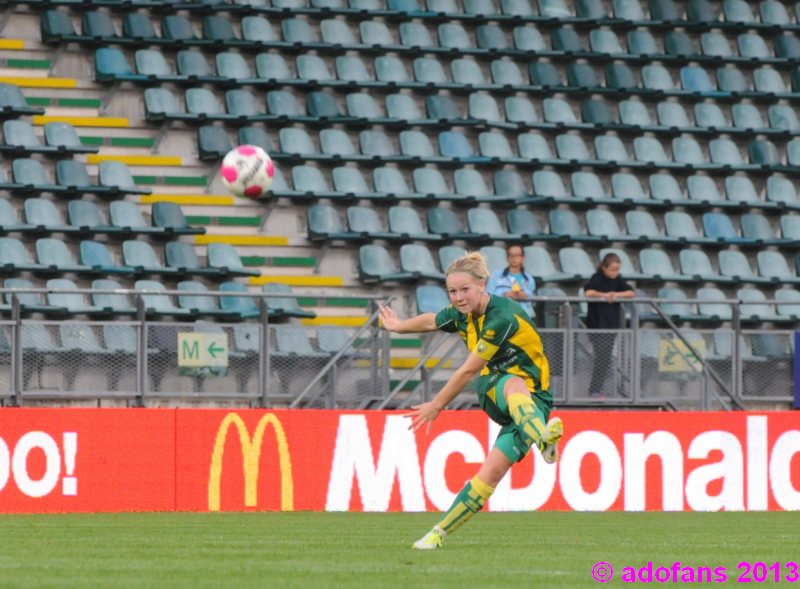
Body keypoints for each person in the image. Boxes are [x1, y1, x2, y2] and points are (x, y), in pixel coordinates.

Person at [379, 252, 563, 550]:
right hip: (495, 389)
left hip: (536, 402)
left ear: (482, 285)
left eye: (464, 290)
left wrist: (436, 405)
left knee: (490, 475)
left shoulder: (501, 317)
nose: (458, 297)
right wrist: (399, 326)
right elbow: (431, 322)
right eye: (452, 291)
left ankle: (437, 535)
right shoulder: (460, 313)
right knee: (512, 382)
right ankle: (543, 440)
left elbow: (464, 371)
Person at [583, 252, 635, 398]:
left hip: (611, 325)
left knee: (605, 358)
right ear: (604, 268)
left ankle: (596, 389)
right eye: (612, 269)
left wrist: (615, 295)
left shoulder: (618, 280)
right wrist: (604, 295)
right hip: (597, 326)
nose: (615, 273)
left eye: (617, 269)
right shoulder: (597, 278)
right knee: (602, 357)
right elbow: (589, 292)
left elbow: (630, 292)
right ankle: (594, 390)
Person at [486, 244, 536, 318]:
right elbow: (487, 295)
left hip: (524, 317)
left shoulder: (528, 278)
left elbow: (534, 301)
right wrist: (503, 295)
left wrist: (526, 296)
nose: (513, 258)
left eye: (517, 255)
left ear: (523, 258)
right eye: (511, 255)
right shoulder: (496, 275)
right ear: (507, 258)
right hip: (501, 315)